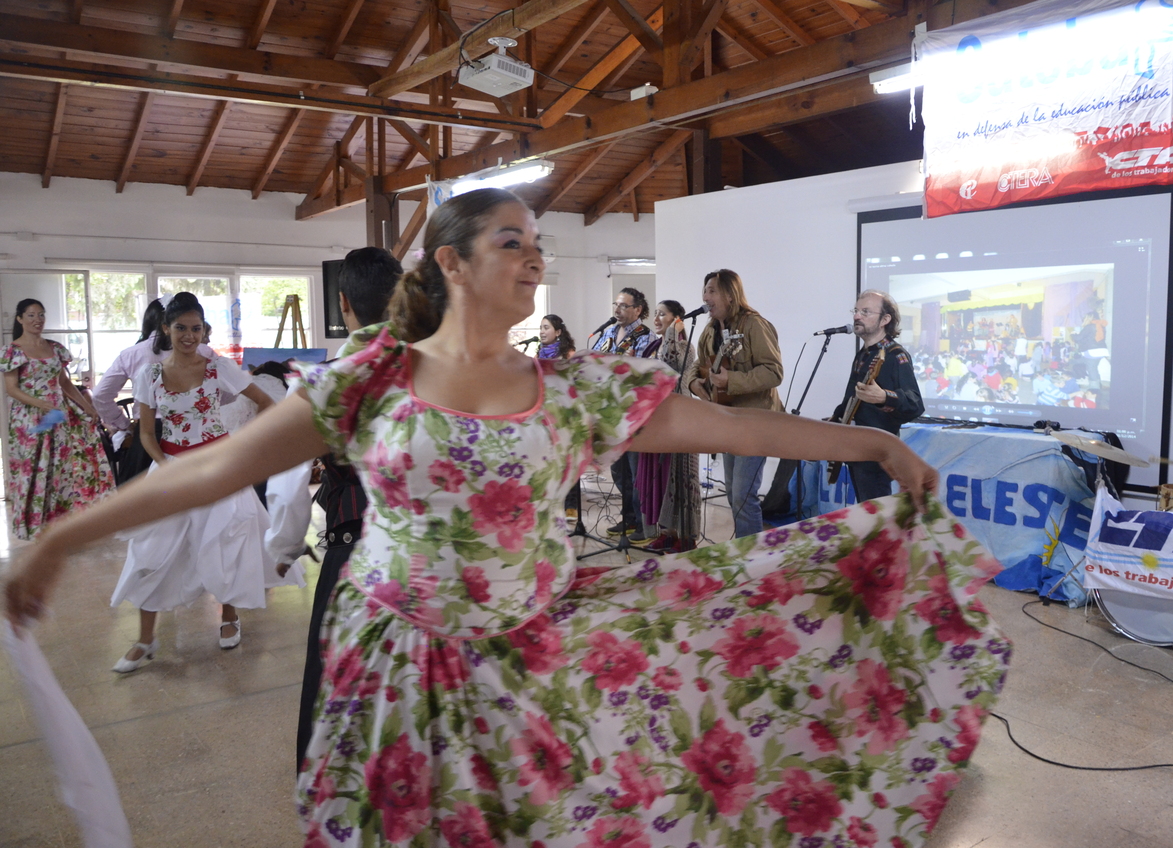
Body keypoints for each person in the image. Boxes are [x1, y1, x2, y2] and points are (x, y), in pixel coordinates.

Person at [6, 189, 1010, 847]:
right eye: (512, 241)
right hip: (399, 667)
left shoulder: (574, 389)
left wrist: (873, 444)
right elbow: (215, 468)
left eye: (539, 243)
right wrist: (58, 535)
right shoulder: (377, 379)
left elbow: (736, 425)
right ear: (449, 263)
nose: (534, 257)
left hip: (534, 662)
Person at [262, 246, 403, 771]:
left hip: (355, 552)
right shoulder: (438, 369)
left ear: (344, 303)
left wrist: (283, 546)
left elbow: (287, 483)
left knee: (341, 684)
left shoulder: (327, 380)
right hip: (431, 554)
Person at [107, 292, 289, 673]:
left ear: (204, 330)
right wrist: (165, 466)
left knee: (227, 541)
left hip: (218, 467)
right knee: (149, 551)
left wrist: (243, 448)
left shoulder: (218, 367)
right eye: (181, 328)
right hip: (171, 468)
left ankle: (229, 616)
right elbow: (146, 434)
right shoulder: (149, 375)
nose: (189, 336)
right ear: (165, 329)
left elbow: (266, 404)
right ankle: (145, 638)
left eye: (196, 328)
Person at [1, 298, 113, 539]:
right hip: (29, 419)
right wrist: (40, 403)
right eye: (31, 315)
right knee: (33, 468)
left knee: (59, 468)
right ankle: (33, 525)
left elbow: (64, 383)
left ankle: (58, 525)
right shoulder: (13, 351)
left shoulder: (54, 347)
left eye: (41, 315)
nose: (37, 320)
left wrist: (87, 406)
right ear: (19, 319)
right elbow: (11, 389)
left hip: (58, 415)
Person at [687, 269, 783, 537]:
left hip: (755, 422)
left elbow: (774, 372)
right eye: (705, 290)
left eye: (712, 291)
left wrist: (732, 380)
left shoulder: (754, 325)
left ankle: (753, 555)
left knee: (743, 495)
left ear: (730, 295)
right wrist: (693, 383)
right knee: (732, 492)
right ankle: (744, 548)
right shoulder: (709, 329)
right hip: (727, 420)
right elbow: (699, 364)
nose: (705, 297)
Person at [92, 296, 217, 485]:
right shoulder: (204, 352)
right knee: (195, 494)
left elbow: (100, 395)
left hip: (147, 435)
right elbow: (225, 394)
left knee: (147, 497)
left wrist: (124, 425)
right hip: (195, 433)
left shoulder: (132, 353)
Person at [830, 290, 925, 503]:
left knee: (877, 513)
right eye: (856, 311)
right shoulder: (863, 354)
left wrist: (884, 397)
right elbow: (851, 399)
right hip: (855, 449)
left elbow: (915, 404)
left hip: (877, 455)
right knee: (865, 511)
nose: (857, 316)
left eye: (865, 312)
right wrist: (836, 419)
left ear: (885, 320)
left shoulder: (895, 355)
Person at [634, 299, 700, 551]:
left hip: (679, 419)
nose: (656, 319)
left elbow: (674, 363)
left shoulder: (684, 346)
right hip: (657, 419)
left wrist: (673, 332)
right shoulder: (654, 345)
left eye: (662, 314)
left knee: (680, 479)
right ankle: (667, 532)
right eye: (656, 314)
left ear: (676, 319)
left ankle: (686, 536)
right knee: (661, 480)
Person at [592, 287, 652, 536]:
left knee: (636, 470)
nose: (617, 310)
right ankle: (628, 518)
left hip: (632, 412)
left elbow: (642, 372)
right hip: (610, 412)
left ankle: (643, 523)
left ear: (637, 309)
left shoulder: (644, 335)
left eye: (624, 306)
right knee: (618, 469)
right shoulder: (608, 331)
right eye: (616, 305)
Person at [535, 314, 582, 522]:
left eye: (546, 327)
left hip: (566, 413)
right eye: (541, 328)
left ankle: (571, 507)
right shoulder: (539, 353)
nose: (542, 332)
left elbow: (576, 383)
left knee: (569, 461)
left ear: (558, 332)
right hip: (545, 413)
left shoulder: (568, 355)